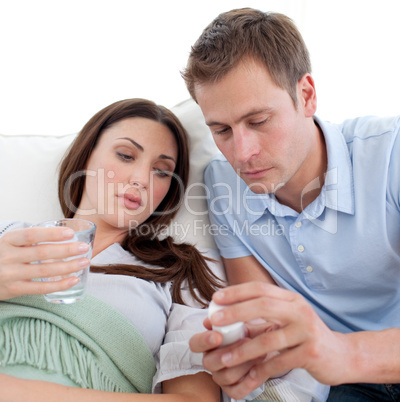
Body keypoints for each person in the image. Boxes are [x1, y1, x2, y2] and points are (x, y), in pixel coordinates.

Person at [182, 7, 400, 402]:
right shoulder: (221, 185)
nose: (242, 153)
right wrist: (245, 360)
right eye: (222, 130)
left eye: (259, 120)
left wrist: (345, 353)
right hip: (335, 386)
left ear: (307, 95)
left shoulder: (391, 154)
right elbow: (261, 316)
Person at [0, 98, 223, 401]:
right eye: (126, 155)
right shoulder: (9, 236)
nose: (141, 179)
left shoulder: (180, 272)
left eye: (161, 171)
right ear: (86, 155)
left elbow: (194, 400)